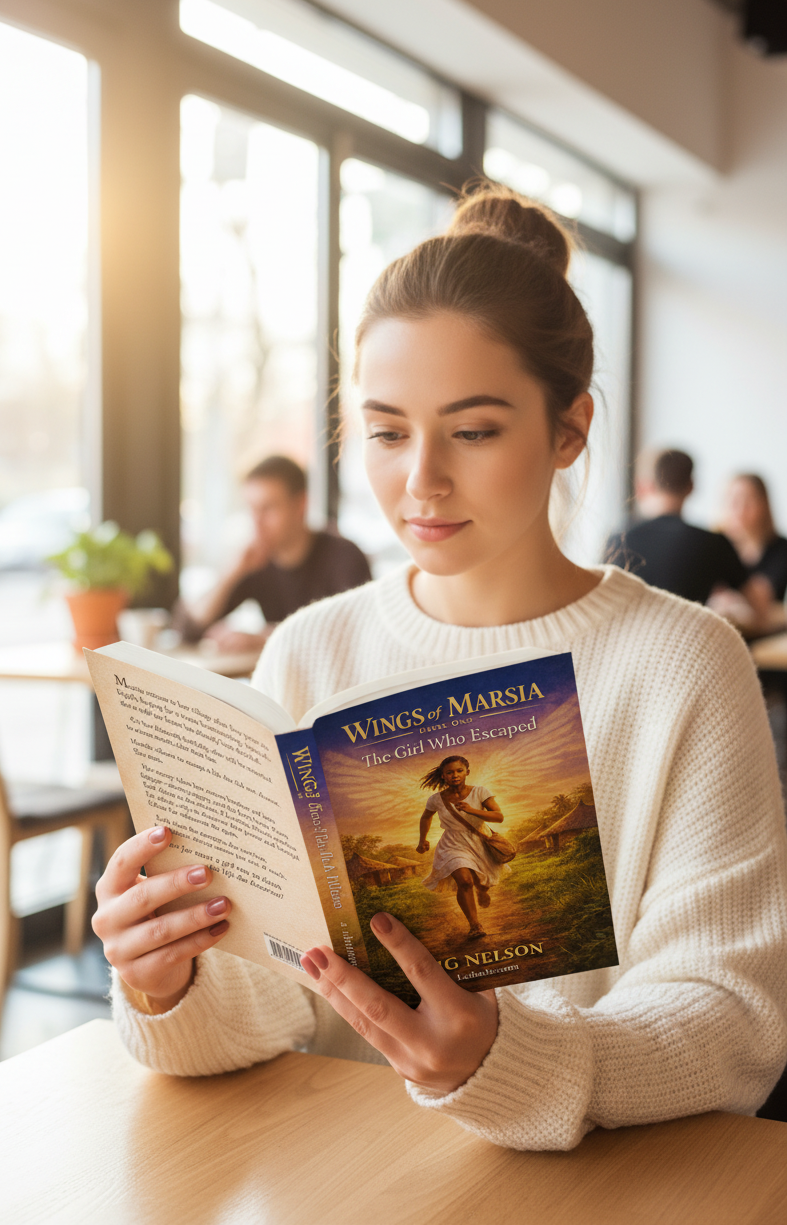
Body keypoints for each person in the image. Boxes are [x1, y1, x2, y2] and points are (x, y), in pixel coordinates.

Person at [92, 183, 787, 1151]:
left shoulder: (679, 661)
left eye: (472, 430)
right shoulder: (311, 648)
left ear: (568, 429)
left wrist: (507, 1061)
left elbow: (731, 1020)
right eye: (384, 432)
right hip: (349, 1176)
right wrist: (167, 979)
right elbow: (280, 1005)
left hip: (603, 1187)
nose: (419, 480)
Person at [174, 456, 371, 652]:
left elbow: (354, 632)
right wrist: (232, 572)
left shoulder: (344, 556)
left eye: (267, 508)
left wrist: (266, 637)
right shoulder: (256, 562)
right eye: (251, 509)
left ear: (300, 505)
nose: (257, 522)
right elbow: (190, 629)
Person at [604, 448, 763, 608]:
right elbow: (758, 605)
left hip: (627, 632)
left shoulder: (619, 537)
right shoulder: (713, 543)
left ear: (646, 486)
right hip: (687, 632)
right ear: (691, 486)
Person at [417, 755, 506, 938]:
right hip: (452, 843)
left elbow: (499, 816)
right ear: (443, 776)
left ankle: (482, 890)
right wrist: (422, 839)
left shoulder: (480, 792)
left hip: (479, 841)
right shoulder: (436, 799)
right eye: (449, 772)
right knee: (464, 881)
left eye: (459, 771)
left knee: (479, 881)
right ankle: (475, 926)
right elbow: (426, 817)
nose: (455, 775)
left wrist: (471, 809)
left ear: (467, 772)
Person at [718, 473, 787, 604]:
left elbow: (766, 596)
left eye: (748, 500)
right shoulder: (714, 544)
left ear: (764, 504)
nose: (740, 509)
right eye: (733, 500)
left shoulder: (781, 548)